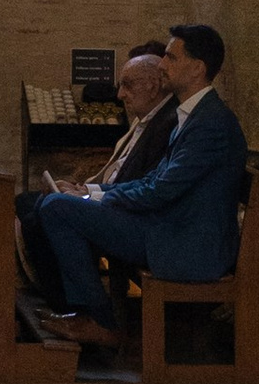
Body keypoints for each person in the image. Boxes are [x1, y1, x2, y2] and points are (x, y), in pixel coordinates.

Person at [29, 22, 249, 349]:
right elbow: (154, 180)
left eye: (172, 58)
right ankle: (90, 314)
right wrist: (93, 193)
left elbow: (160, 190)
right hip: (167, 228)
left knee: (58, 208)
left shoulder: (211, 123)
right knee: (56, 204)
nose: (162, 64)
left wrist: (95, 199)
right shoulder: (195, 116)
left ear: (197, 69)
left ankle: (101, 322)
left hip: (186, 245)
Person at [17, 46, 175, 309]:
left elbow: (146, 186)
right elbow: (124, 173)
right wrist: (87, 188)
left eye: (127, 85)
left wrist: (90, 195)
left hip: (139, 220)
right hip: (119, 201)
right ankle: (64, 300)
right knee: (31, 202)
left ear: (154, 85)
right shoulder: (146, 119)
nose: (120, 94)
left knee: (47, 212)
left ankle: (86, 310)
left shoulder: (168, 122)